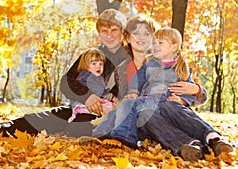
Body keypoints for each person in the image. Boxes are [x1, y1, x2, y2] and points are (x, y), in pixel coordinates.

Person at [0, 9, 129, 138]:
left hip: (108, 117)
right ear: (99, 33)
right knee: (34, 119)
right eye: (104, 31)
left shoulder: (130, 57)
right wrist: (87, 96)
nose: (109, 35)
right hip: (80, 109)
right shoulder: (92, 55)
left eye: (114, 30)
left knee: (68, 127)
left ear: (122, 33)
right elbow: (67, 83)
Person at [95, 28, 233, 161]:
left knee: (170, 106)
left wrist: (183, 100)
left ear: (174, 47)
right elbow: (137, 82)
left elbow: (189, 92)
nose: (155, 45)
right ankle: (189, 146)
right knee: (136, 111)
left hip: (168, 107)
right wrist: (133, 93)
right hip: (147, 110)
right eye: (154, 42)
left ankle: (213, 139)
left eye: (160, 42)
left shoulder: (182, 69)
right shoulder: (148, 65)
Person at [67, 48, 117, 123]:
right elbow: (98, 89)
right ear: (86, 65)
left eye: (101, 64)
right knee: (110, 107)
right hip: (84, 104)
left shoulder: (87, 75)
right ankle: (112, 123)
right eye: (94, 63)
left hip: (80, 104)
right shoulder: (89, 76)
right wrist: (111, 97)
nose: (98, 66)